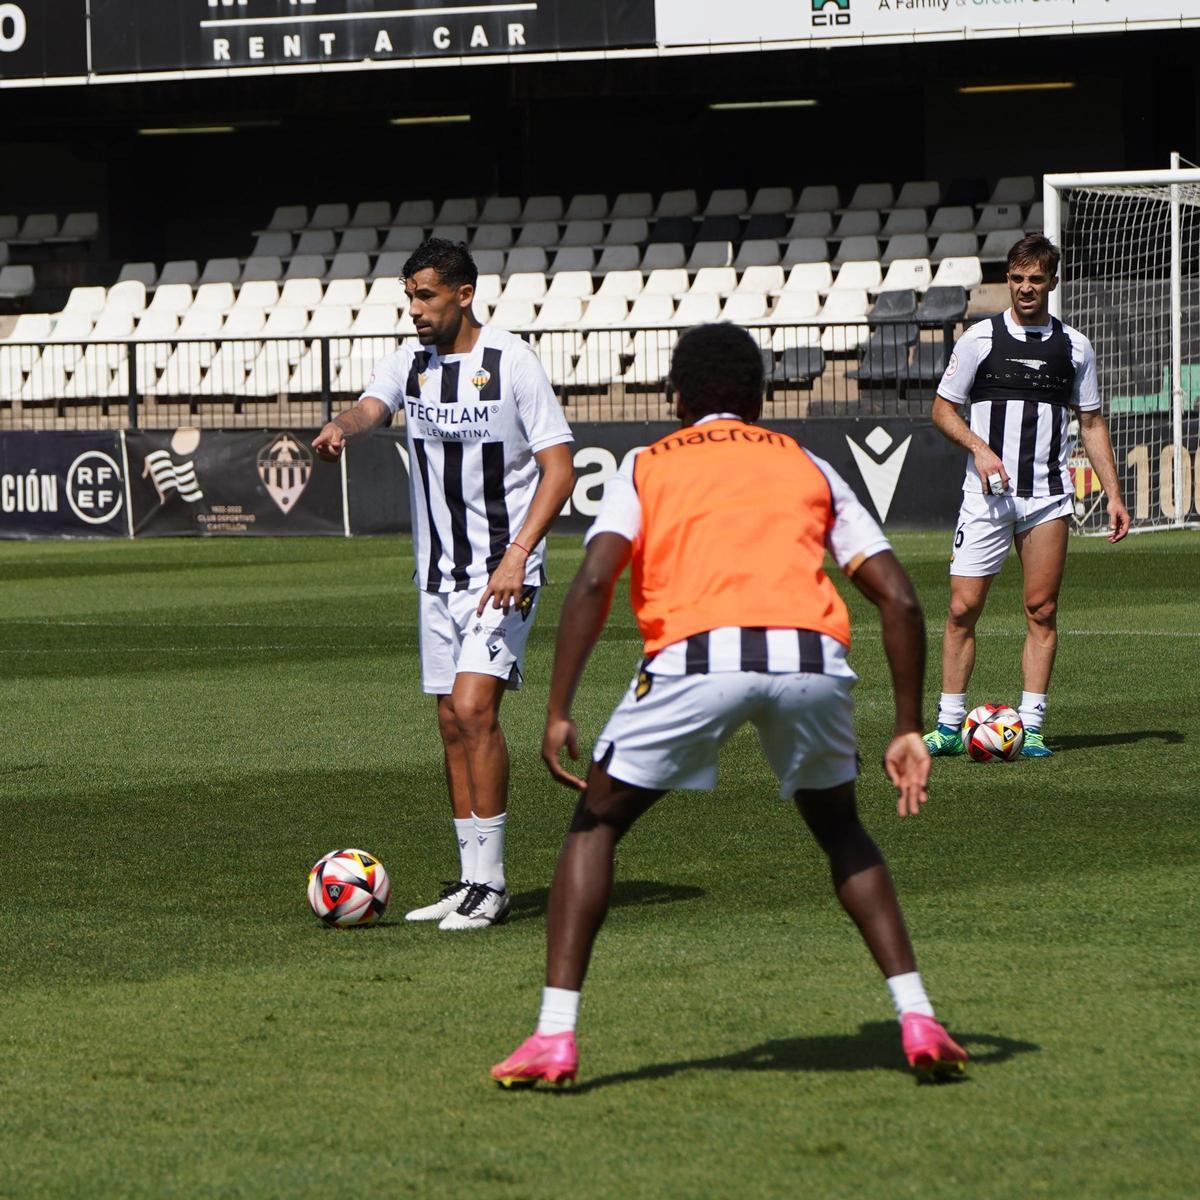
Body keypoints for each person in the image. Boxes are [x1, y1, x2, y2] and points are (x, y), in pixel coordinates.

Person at [490, 323, 967, 1088]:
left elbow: (591, 582)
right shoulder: (808, 461)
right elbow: (901, 601)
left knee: (597, 824)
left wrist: (558, 709)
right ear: (760, 397)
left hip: (695, 659)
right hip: (811, 659)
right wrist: (909, 725)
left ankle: (553, 1037)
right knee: (841, 829)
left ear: (679, 397)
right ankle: (917, 1015)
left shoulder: (647, 463)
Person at [313, 238, 575, 930]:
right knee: (450, 724)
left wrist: (520, 552)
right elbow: (374, 406)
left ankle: (492, 885)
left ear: (463, 294)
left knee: (475, 710)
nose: (414, 310)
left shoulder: (512, 362)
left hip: (503, 574)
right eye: (408, 296)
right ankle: (468, 880)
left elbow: (560, 469)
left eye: (426, 295)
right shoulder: (411, 362)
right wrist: (345, 425)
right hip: (436, 576)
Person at [922, 234, 1130, 759]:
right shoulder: (979, 339)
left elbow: (1091, 422)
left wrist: (1114, 495)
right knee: (962, 607)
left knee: (1041, 609)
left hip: (1048, 499)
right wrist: (979, 448)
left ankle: (1031, 727)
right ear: (1008, 281)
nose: (1025, 288)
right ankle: (948, 726)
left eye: (1036, 279)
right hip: (986, 497)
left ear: (1052, 282)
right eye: (1017, 279)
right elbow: (943, 409)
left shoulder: (1075, 346)